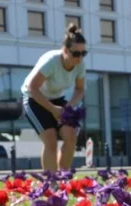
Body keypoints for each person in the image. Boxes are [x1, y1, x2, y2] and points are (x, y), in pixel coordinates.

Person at [22, 23, 87, 171]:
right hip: (34, 98)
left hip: (57, 99)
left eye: (83, 53)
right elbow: (33, 88)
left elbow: (79, 89)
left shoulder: (80, 65)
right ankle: (51, 182)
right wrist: (52, 109)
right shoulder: (51, 61)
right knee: (51, 140)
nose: (80, 58)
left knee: (70, 136)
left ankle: (64, 179)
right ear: (65, 50)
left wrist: (68, 106)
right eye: (76, 53)